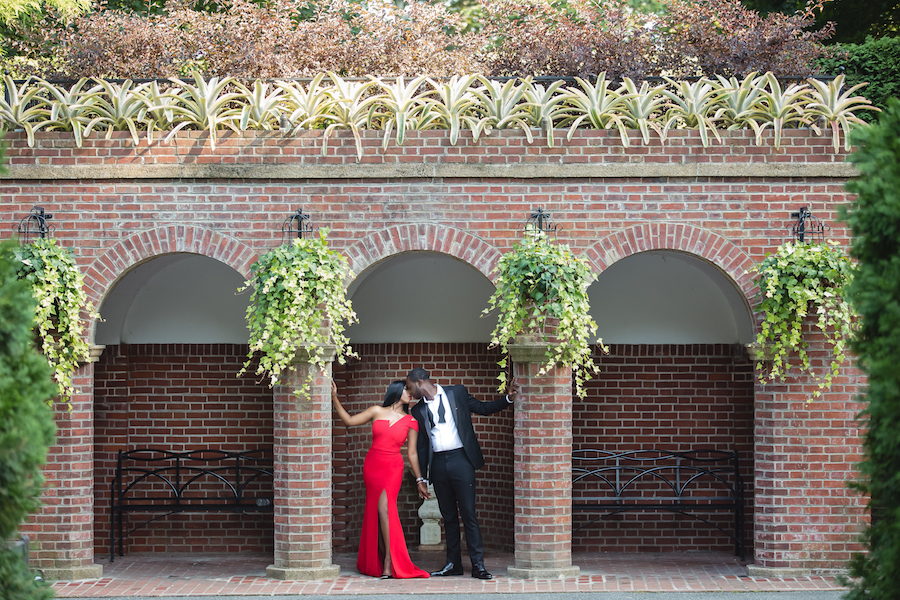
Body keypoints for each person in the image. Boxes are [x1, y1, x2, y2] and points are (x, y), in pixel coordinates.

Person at [405, 367, 519, 580]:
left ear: (419, 382)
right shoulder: (418, 411)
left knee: (468, 514)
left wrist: (508, 399)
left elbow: (483, 408)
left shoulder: (456, 392)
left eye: (410, 387)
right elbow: (421, 447)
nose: (409, 392)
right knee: (448, 517)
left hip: (461, 460)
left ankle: (478, 565)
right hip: (438, 464)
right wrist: (420, 478)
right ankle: (453, 564)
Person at [331, 379, 430, 579]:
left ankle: (388, 561)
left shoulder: (412, 421)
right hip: (372, 465)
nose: (410, 393)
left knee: (385, 510)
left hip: (393, 467)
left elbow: (412, 454)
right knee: (376, 512)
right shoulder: (376, 411)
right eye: (406, 390)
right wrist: (334, 397)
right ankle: (383, 557)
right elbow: (349, 421)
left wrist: (420, 480)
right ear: (396, 391)